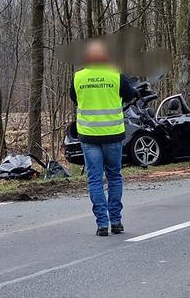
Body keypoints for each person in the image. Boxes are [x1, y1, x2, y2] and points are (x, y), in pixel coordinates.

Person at [70, 39, 138, 236]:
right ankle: (116, 221)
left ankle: (101, 224)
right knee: (114, 177)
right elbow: (130, 94)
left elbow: (74, 98)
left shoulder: (78, 77)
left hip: (89, 135)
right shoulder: (116, 76)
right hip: (113, 135)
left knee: (95, 180)